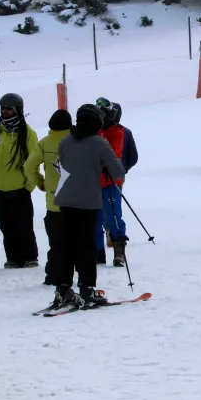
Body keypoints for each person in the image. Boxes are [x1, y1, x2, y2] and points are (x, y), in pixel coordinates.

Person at [51, 104, 126, 309]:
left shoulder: (66, 141)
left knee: (67, 245)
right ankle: (86, 289)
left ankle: (63, 289)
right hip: (88, 201)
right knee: (85, 246)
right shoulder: (99, 143)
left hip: (65, 199)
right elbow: (117, 170)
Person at [0, 92, 40, 269]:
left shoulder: (27, 133)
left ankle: (30, 257)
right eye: (2, 108)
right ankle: (13, 257)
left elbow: (34, 161)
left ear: (18, 110)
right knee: (6, 227)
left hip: (19, 189)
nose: (5, 112)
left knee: (24, 226)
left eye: (9, 109)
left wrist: (28, 186)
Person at [24, 109, 73, 286]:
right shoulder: (76, 141)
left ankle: (53, 275)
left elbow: (29, 166)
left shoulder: (45, 143)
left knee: (56, 242)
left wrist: (40, 182)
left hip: (54, 201)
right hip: (76, 202)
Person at [93, 97, 128, 267]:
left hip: (110, 181)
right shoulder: (93, 132)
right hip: (93, 183)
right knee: (94, 218)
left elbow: (112, 153)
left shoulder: (116, 131)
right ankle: (97, 253)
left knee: (114, 217)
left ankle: (119, 251)